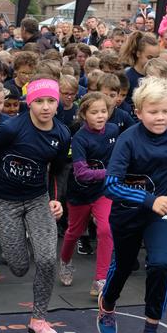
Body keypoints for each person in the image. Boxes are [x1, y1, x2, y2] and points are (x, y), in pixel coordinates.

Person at [96, 77, 167, 333]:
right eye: (153, 112)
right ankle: (108, 303)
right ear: (139, 112)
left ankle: (150, 332)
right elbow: (110, 185)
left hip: (162, 214)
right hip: (128, 214)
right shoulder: (128, 141)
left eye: (165, 111)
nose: (160, 117)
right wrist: (149, 200)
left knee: (162, 265)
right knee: (125, 266)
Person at [0, 77, 70, 333]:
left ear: (58, 102)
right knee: (18, 267)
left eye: (51, 100)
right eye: (39, 101)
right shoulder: (11, 128)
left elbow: (60, 170)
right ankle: (11, 244)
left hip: (38, 198)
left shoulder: (61, 134)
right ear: (29, 103)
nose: (46, 107)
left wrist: (56, 198)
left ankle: (38, 319)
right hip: (4, 200)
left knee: (48, 259)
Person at [59, 92, 118, 297]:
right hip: (80, 192)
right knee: (73, 232)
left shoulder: (113, 130)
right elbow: (82, 173)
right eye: (94, 112)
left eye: (104, 111)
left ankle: (100, 280)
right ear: (84, 114)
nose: (100, 116)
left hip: (103, 192)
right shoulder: (80, 139)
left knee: (105, 229)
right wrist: (110, 172)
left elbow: (119, 157)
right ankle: (65, 261)